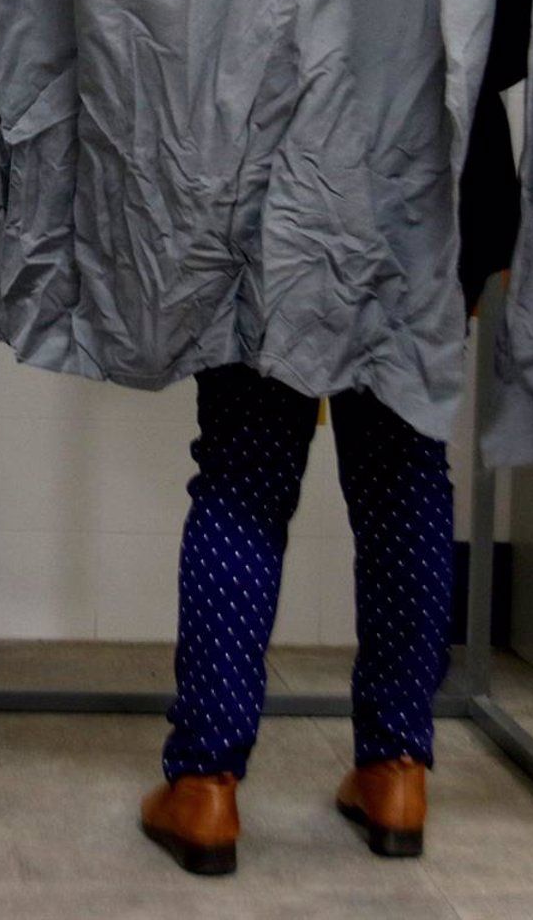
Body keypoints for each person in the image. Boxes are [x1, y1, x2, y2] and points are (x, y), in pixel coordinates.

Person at [140, 368, 454, 874]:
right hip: (414, 287)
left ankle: (205, 786)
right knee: (405, 471)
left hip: (273, 286)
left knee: (245, 470)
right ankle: (396, 770)